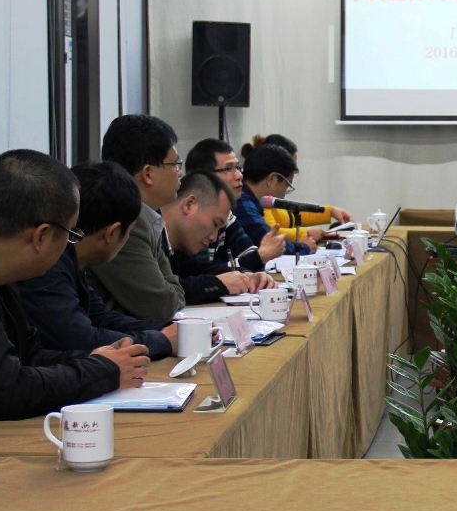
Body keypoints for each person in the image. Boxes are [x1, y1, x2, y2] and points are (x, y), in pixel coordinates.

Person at [0, 150, 150, 474]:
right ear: (41, 236)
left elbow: (28, 355)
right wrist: (101, 371)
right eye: (71, 234)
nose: (70, 246)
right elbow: (2, 390)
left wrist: (98, 360)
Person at [16, 162, 178, 360]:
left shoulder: (72, 257)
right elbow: (79, 339)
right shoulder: (46, 264)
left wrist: (166, 330)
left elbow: (100, 316)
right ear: (112, 233)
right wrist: (160, 341)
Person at [87, 115, 186, 320]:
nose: (179, 173)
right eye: (175, 164)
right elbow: (163, 305)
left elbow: (175, 292)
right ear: (148, 173)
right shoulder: (124, 216)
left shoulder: (149, 214)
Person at [164, 171, 274, 304]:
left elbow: (197, 269)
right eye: (215, 223)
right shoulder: (145, 231)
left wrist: (245, 275)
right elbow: (163, 293)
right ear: (189, 204)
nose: (214, 238)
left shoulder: (175, 246)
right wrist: (219, 283)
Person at [184, 138, 284, 271]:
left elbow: (247, 253)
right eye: (229, 168)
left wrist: (257, 261)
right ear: (205, 177)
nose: (239, 175)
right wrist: (259, 256)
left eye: (238, 167)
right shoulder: (193, 216)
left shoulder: (227, 214)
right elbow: (203, 273)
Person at [240, 133, 352, 243]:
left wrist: (329, 211)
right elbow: (270, 237)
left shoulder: (259, 200)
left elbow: (292, 215)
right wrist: (305, 237)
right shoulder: (247, 204)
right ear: (272, 179)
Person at [235, 144, 314, 255]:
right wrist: (304, 248)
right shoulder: (241, 202)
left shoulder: (250, 201)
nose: (283, 196)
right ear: (272, 179)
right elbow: (270, 241)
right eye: (286, 187)